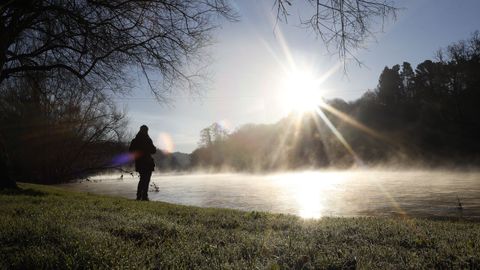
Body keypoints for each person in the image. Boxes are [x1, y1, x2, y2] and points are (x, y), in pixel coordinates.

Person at [129, 125, 156, 201]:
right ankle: (144, 196)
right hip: (147, 162)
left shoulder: (135, 140)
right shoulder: (148, 140)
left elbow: (130, 151)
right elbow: (153, 151)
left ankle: (139, 196)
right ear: (146, 131)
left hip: (139, 163)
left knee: (142, 179)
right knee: (146, 179)